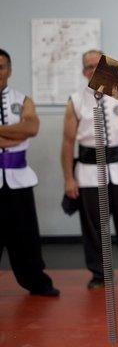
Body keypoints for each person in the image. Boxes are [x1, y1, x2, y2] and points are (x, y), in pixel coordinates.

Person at [60, 49, 118, 289]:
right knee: (94, 226)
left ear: (107, 67)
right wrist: (68, 180)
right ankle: (99, 274)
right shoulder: (75, 100)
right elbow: (67, 142)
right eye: (89, 67)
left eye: (98, 65)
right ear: (84, 72)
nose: (94, 70)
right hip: (88, 171)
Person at [0, 48, 59, 297]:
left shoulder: (23, 99)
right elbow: (22, 130)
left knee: (25, 237)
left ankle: (36, 281)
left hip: (19, 179)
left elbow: (31, 127)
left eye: (1, 66)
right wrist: (15, 132)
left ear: (10, 70)